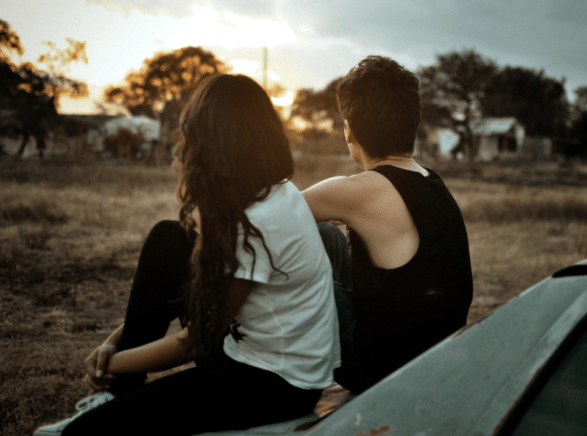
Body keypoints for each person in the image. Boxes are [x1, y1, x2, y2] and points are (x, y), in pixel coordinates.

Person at [34, 74, 340, 436]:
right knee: (169, 238)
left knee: (84, 434)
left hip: (276, 385)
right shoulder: (273, 191)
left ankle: (114, 398)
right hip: (248, 355)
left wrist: (113, 362)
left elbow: (199, 338)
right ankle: (118, 395)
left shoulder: (256, 221)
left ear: (211, 146)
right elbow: (195, 293)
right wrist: (114, 342)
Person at [302, 56, 473, 394]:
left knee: (298, 245)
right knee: (325, 235)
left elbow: (270, 216)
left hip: (382, 370)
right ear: (412, 123)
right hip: (436, 357)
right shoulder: (431, 180)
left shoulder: (361, 190)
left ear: (349, 128)